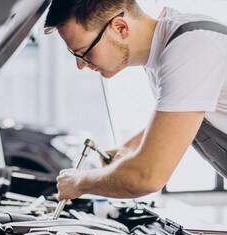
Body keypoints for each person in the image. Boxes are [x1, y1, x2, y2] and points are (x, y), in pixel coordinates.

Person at [43, 0, 227, 201]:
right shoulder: (166, 41)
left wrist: (78, 183)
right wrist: (130, 147)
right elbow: (182, 114)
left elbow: (147, 176)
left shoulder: (190, 47)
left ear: (120, 27)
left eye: (84, 52)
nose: (80, 65)